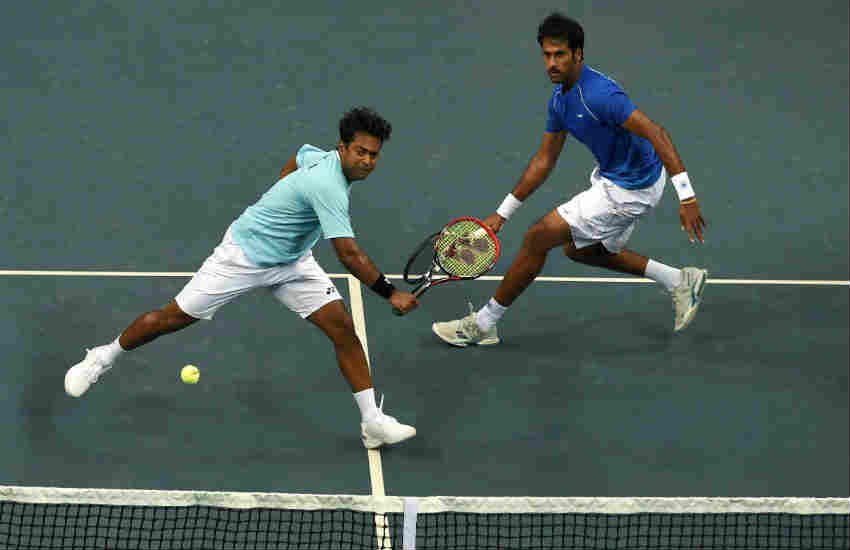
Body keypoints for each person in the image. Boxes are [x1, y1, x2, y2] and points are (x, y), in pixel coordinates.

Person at [65, 107, 419, 449]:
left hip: (292, 262)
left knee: (342, 328)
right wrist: (390, 293)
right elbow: (349, 255)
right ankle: (102, 357)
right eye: (360, 152)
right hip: (244, 255)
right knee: (172, 318)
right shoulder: (328, 187)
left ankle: (372, 422)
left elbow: (299, 156)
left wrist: (283, 200)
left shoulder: (320, 158)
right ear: (342, 148)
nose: (367, 161)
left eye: (374, 155)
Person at [433, 13, 708, 347]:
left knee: (537, 238)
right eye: (547, 55)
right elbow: (544, 160)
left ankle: (483, 324)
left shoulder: (601, 95)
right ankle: (679, 281)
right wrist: (502, 213)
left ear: (578, 54)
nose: (552, 63)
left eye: (560, 54)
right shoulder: (560, 100)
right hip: (621, 176)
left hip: (629, 189)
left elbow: (657, 133)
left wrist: (687, 197)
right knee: (581, 251)